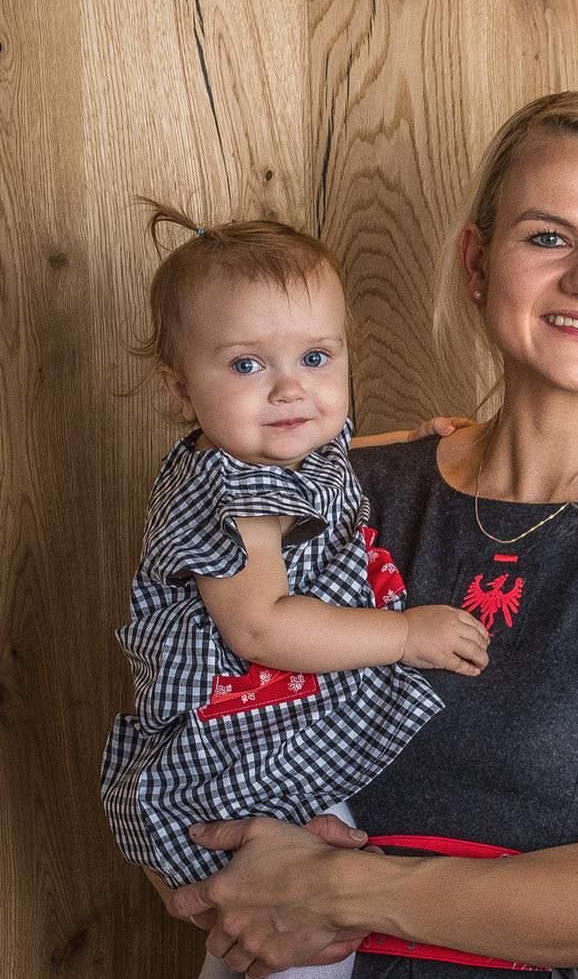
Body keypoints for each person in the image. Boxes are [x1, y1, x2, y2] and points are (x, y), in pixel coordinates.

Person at [163, 91, 578, 978]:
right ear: (477, 263)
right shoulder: (338, 491)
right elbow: (191, 721)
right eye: (548, 237)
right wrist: (203, 865)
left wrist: (338, 890)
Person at [102, 204, 485, 976]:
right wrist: (406, 635)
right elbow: (264, 629)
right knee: (291, 939)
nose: (290, 390)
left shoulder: (273, 444)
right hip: (236, 766)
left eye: (317, 357)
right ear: (180, 388)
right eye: (247, 365)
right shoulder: (230, 492)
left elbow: (332, 453)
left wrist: (410, 438)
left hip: (266, 738)